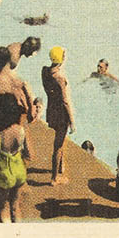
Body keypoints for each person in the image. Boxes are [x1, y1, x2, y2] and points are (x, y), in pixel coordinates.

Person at [0, 93, 30, 223]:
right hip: (19, 171)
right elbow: (30, 154)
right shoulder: (20, 130)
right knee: (16, 207)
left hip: (3, 172)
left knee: (3, 207)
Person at [42, 46, 75, 186]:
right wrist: (72, 120)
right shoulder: (59, 78)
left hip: (51, 110)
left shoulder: (45, 72)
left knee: (60, 140)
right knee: (58, 145)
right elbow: (65, 101)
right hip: (61, 113)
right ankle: (54, 178)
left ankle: (60, 166)